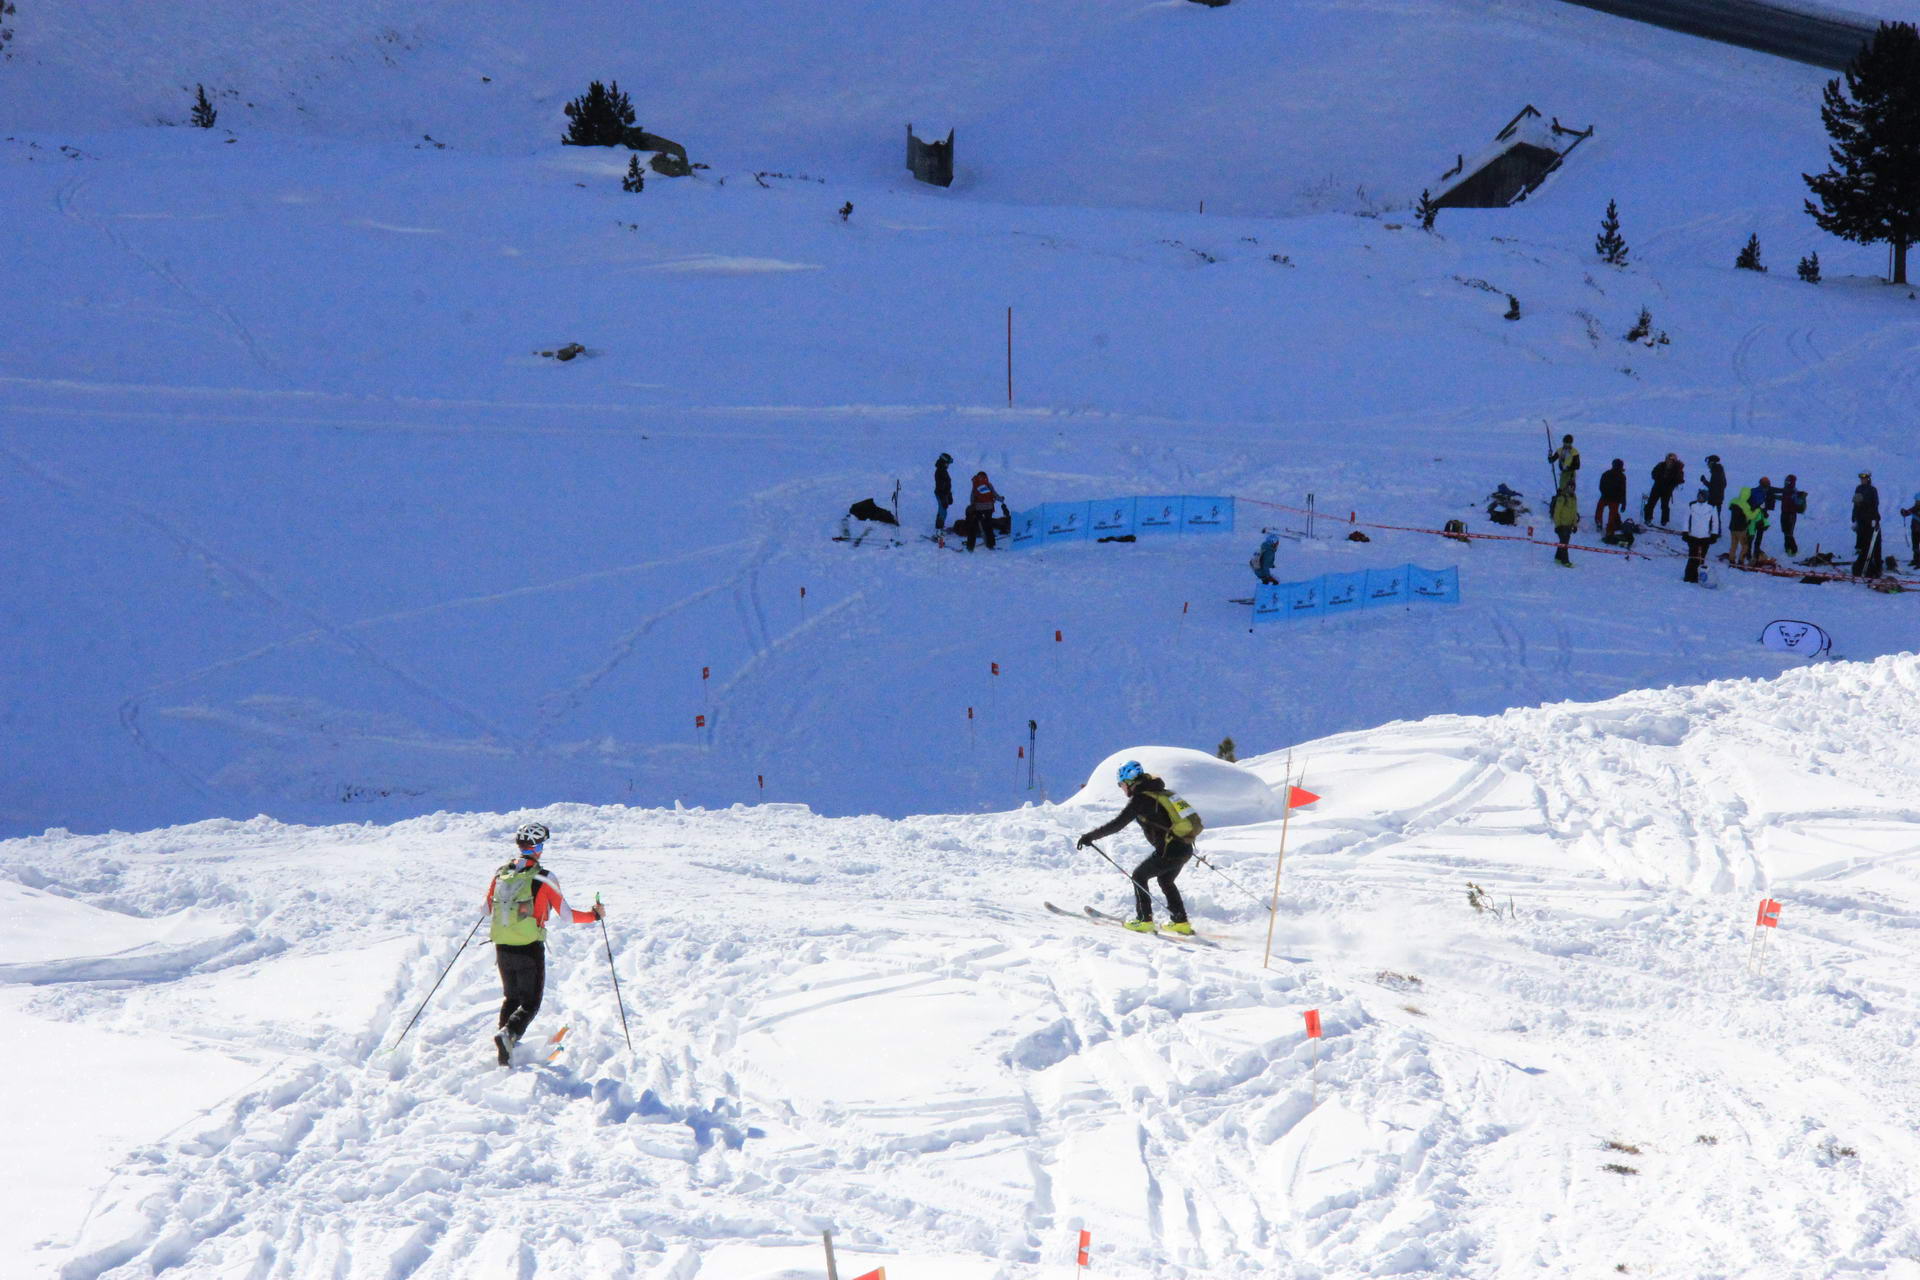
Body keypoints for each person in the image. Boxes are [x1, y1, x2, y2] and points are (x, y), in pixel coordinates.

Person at [484, 822, 603, 1065]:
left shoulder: (500, 874)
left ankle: (505, 1046)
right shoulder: (544, 877)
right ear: (538, 847)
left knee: (511, 998)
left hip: (502, 946)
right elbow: (567, 915)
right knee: (530, 1003)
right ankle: (508, 1035)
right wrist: (595, 915)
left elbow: (485, 909)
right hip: (529, 946)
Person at [1076, 760, 1203, 934]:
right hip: (1185, 847)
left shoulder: (1141, 798)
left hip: (1170, 849)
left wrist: (1090, 836)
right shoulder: (1161, 793)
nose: (1122, 789)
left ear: (1129, 782)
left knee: (1138, 876)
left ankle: (1144, 920)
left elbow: (1118, 824)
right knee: (1165, 880)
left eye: (1121, 784)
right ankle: (1180, 922)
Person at [1683, 488, 1719, 583]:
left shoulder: (1712, 507)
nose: (1700, 498)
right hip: (1693, 536)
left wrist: (1714, 534)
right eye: (1698, 496)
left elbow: (1715, 521)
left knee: (1701, 558)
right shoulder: (1692, 505)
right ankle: (1688, 576)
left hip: (1705, 537)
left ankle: (1699, 576)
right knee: (1692, 556)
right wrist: (1685, 532)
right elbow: (1686, 519)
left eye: (1702, 497)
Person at [1852, 471, 1883, 577]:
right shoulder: (1858, 488)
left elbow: (1875, 504)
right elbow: (1855, 504)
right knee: (1863, 542)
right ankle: (1863, 562)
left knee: (1874, 543)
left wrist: (1875, 518)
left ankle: (1877, 565)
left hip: (1870, 519)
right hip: (1861, 519)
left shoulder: (1872, 490)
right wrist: (1854, 516)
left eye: (1864, 478)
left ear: (1868, 479)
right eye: (1861, 478)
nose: (1862, 480)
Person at [1643, 453, 1684, 525]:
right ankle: (1648, 518)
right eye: (1668, 459)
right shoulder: (1660, 465)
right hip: (1657, 487)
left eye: (1671, 460)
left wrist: (1672, 483)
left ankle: (1664, 521)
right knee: (1651, 503)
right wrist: (1658, 478)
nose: (1669, 461)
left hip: (1667, 490)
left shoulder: (1677, 469)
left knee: (1664, 505)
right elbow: (1653, 473)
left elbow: (1680, 479)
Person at [965, 470, 1001, 551]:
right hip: (989, 508)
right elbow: (995, 494)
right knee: (988, 526)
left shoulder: (976, 484)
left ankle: (970, 546)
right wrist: (1001, 499)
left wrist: (973, 506)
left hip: (978, 508)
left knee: (973, 527)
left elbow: (972, 498)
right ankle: (991, 544)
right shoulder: (988, 484)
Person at [1727, 487, 1759, 565]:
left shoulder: (1734, 500)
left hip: (1732, 528)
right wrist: (1757, 510)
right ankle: (1741, 561)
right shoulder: (1745, 505)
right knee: (1745, 546)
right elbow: (1751, 516)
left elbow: (1729, 506)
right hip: (1741, 529)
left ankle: (1731, 560)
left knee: (1733, 544)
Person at [1550, 479, 1578, 566]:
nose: (1571, 488)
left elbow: (1574, 512)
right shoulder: (1562, 498)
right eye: (1570, 486)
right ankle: (1565, 561)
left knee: (1563, 542)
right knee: (1564, 543)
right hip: (1562, 525)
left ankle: (1558, 557)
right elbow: (1557, 512)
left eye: (1573, 487)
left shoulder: (1574, 498)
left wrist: (1575, 524)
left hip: (1569, 525)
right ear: (1567, 487)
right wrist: (1557, 525)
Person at [1595, 459, 1627, 538]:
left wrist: (1623, 502)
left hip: (1613, 498)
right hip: (1608, 497)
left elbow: (1623, 490)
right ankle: (1603, 526)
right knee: (1605, 511)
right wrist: (1623, 502)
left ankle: (1608, 528)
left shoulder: (1620, 476)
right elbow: (1601, 486)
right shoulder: (1607, 474)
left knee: (1611, 514)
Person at [1750, 477, 1778, 559]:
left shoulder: (1753, 491)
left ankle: (1749, 552)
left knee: (1752, 535)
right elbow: (1768, 506)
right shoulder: (1765, 493)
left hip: (1753, 517)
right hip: (1758, 517)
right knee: (1758, 535)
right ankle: (1755, 551)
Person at [1779, 474, 1804, 557]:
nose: (1786, 482)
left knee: (1789, 532)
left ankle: (1793, 549)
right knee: (1785, 531)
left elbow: (1798, 503)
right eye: (1786, 481)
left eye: (1788, 481)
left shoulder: (1794, 492)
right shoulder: (1786, 491)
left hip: (1791, 515)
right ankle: (1787, 548)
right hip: (1784, 513)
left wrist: (1799, 499)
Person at [933, 453, 954, 533]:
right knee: (943, 511)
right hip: (941, 494)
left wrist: (949, 494)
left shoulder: (942, 470)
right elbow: (941, 486)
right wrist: (944, 497)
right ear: (944, 462)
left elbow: (946, 484)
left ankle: (939, 527)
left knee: (941, 509)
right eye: (947, 463)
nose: (948, 465)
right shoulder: (941, 471)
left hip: (943, 493)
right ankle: (939, 529)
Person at [1902, 491, 1920, 566]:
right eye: (1916, 501)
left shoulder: (1916, 508)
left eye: (1917, 501)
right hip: (1914, 530)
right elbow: (1907, 513)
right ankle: (1916, 560)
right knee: (1915, 546)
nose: (1916, 502)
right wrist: (1903, 512)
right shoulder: (1915, 508)